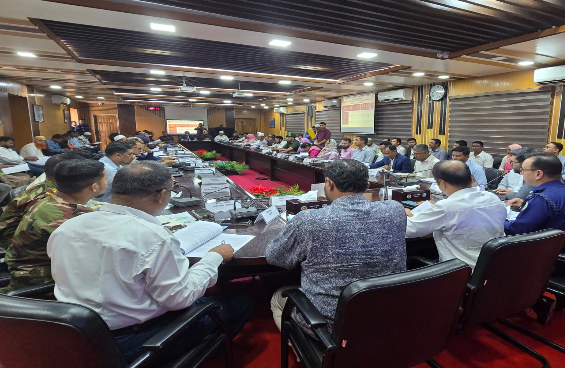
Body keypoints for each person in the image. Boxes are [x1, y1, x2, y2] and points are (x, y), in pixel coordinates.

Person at [48, 162, 253, 364]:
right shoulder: (151, 236)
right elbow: (179, 298)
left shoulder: (68, 226)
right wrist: (214, 257)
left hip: (74, 335)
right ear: (161, 195)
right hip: (131, 340)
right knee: (240, 303)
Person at [266, 159, 407, 334]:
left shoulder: (309, 220)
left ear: (329, 183)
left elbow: (275, 257)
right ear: (367, 186)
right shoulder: (395, 210)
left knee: (278, 297)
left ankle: (302, 345)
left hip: (331, 325)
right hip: (388, 314)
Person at [1, 159, 106, 293]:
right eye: (105, 179)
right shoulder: (70, 218)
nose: (107, 183)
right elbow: (92, 259)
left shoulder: (50, 200)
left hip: (25, 271)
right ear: (94, 187)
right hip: (42, 283)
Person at [406, 161, 506, 268]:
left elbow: (408, 230)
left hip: (462, 270)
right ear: (471, 178)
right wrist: (435, 209)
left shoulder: (445, 207)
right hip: (495, 266)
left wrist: (407, 213)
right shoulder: (492, 198)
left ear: (442, 182)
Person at [504, 153, 565, 269]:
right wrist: (525, 205)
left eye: (524, 170)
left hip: (551, 262)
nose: (521, 173)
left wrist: (497, 218)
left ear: (538, 174)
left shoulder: (542, 198)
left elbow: (515, 231)